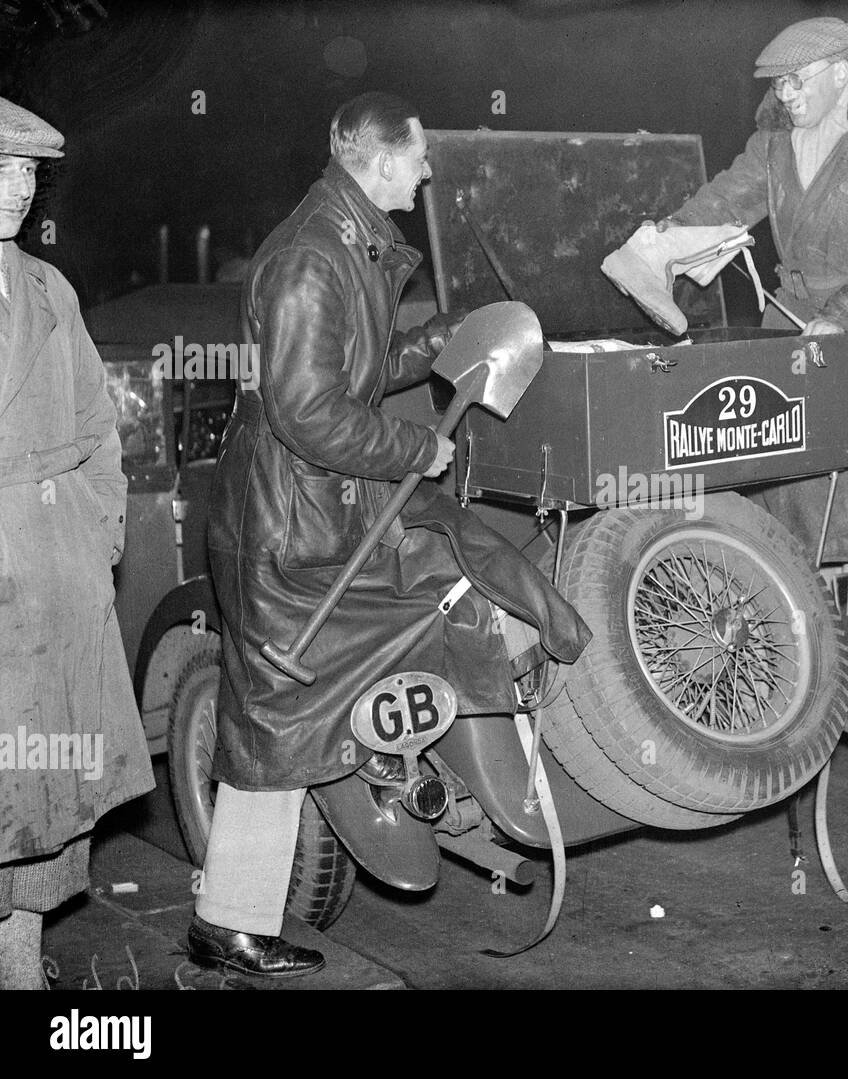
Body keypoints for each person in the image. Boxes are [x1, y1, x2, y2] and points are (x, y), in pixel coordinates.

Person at [191, 92, 589, 978]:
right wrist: (420, 445)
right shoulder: (309, 258)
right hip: (287, 527)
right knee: (276, 729)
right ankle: (228, 922)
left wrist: (447, 335)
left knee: (412, 610)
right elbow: (308, 412)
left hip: (318, 511)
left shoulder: (348, 241)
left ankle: (463, 760)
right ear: (377, 160)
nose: (428, 170)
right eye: (417, 157)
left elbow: (359, 366)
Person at [662, 16, 848, 563]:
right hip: (794, 330)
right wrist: (664, 239)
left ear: (841, 74)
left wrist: (844, 316)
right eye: (778, 84)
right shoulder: (775, 142)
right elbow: (724, 203)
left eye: (797, 80)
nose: (785, 95)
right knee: (786, 517)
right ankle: (797, 632)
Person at [0, 98, 154, 989]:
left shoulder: (51, 289)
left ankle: (21, 968)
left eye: (28, 172)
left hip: (55, 583)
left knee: (45, 805)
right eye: (1, 169)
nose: (17, 189)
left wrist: (94, 536)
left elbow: (100, 428)